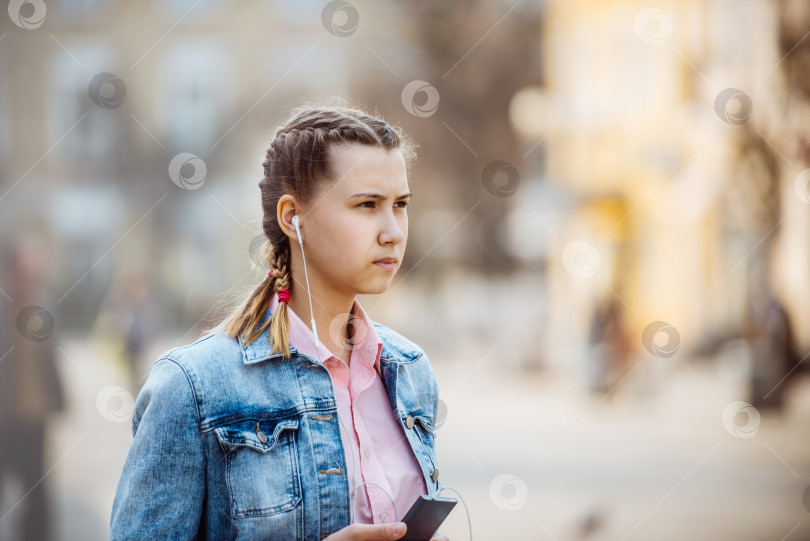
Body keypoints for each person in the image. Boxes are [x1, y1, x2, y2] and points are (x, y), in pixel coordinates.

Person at [110, 101, 450, 541]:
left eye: (400, 204)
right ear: (293, 218)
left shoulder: (409, 370)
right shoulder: (192, 389)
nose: (393, 231)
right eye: (367, 205)